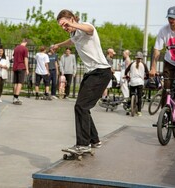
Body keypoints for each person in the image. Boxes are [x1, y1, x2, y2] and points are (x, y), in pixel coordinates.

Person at [52, 9, 111, 153]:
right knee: (82, 107)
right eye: (62, 27)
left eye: (65, 24)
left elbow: (90, 29)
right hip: (91, 73)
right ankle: (94, 140)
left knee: (81, 106)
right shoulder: (74, 34)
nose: (65, 28)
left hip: (100, 72)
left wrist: (74, 24)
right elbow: (71, 41)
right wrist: (59, 45)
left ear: (72, 18)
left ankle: (83, 144)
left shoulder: (84, 26)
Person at [125, 52, 145, 116]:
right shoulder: (143, 64)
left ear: (135, 58)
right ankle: (139, 111)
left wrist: (127, 76)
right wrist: (146, 77)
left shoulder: (132, 64)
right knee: (139, 97)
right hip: (140, 82)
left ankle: (129, 107)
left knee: (131, 95)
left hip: (132, 82)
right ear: (141, 58)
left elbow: (126, 71)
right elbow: (147, 73)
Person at [12, 38, 29, 105]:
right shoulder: (25, 49)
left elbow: (14, 57)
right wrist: (27, 69)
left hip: (15, 67)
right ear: (26, 43)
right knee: (20, 82)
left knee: (16, 82)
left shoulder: (16, 48)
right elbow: (25, 59)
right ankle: (16, 97)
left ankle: (14, 97)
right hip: (21, 67)